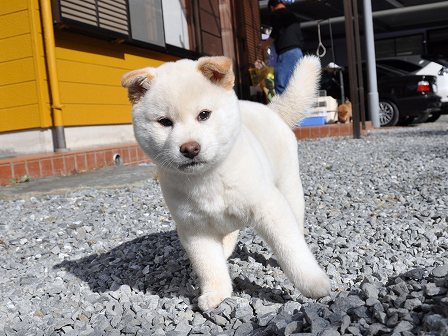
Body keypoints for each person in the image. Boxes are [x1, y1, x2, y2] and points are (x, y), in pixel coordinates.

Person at [268, 0, 304, 95]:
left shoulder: (276, 14)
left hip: (287, 53)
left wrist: (264, 44)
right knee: (296, 85)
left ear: (271, 7)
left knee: (281, 84)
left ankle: (283, 109)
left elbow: (276, 31)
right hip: (298, 52)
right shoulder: (292, 16)